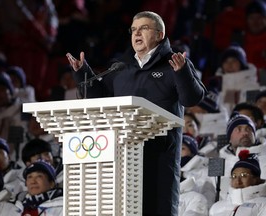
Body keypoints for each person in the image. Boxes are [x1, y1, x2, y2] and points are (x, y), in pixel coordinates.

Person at [66, 11, 206, 216]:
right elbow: (100, 96)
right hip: (121, 154)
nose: (136, 33)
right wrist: (83, 72)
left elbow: (192, 98)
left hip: (159, 154)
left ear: (159, 34)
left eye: (144, 28)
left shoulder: (173, 64)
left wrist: (182, 72)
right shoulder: (122, 67)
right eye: (133, 30)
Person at [209, 149, 266, 216]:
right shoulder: (216, 207)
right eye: (234, 176)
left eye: (243, 175)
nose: (238, 181)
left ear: (256, 179)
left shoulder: (263, 205)